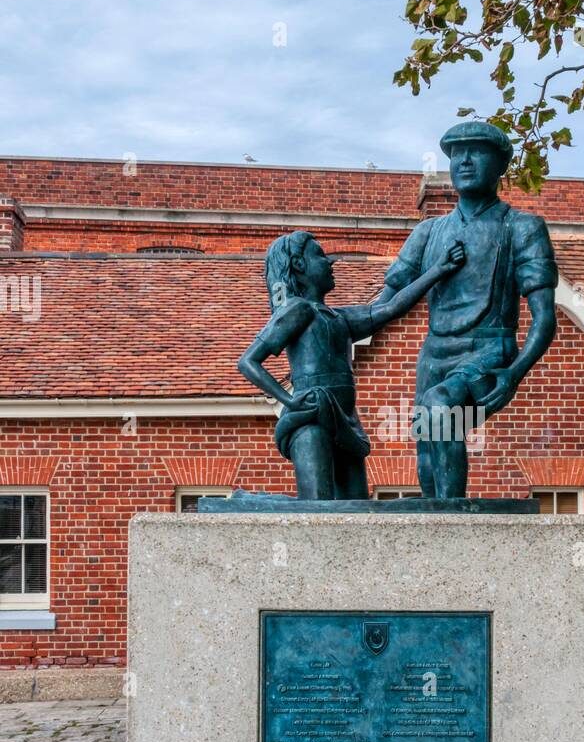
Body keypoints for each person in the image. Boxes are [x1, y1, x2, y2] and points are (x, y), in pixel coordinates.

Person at [378, 121, 559, 498]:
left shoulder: (521, 228)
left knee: (441, 409)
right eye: (456, 154)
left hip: (489, 349)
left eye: (476, 152)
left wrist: (513, 373)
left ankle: (453, 524)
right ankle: (436, 524)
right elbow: (385, 305)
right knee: (427, 450)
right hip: (434, 354)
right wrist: (322, 321)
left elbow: (544, 318)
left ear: (499, 164)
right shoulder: (428, 233)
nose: (464, 161)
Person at [237, 230, 464, 499]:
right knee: (316, 510)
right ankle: (249, 501)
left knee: (356, 507)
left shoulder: (339, 318)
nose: (330, 262)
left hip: (346, 423)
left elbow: (389, 308)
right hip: (312, 420)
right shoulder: (298, 310)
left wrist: (438, 270)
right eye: (320, 256)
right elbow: (248, 361)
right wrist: (289, 400)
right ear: (299, 264)